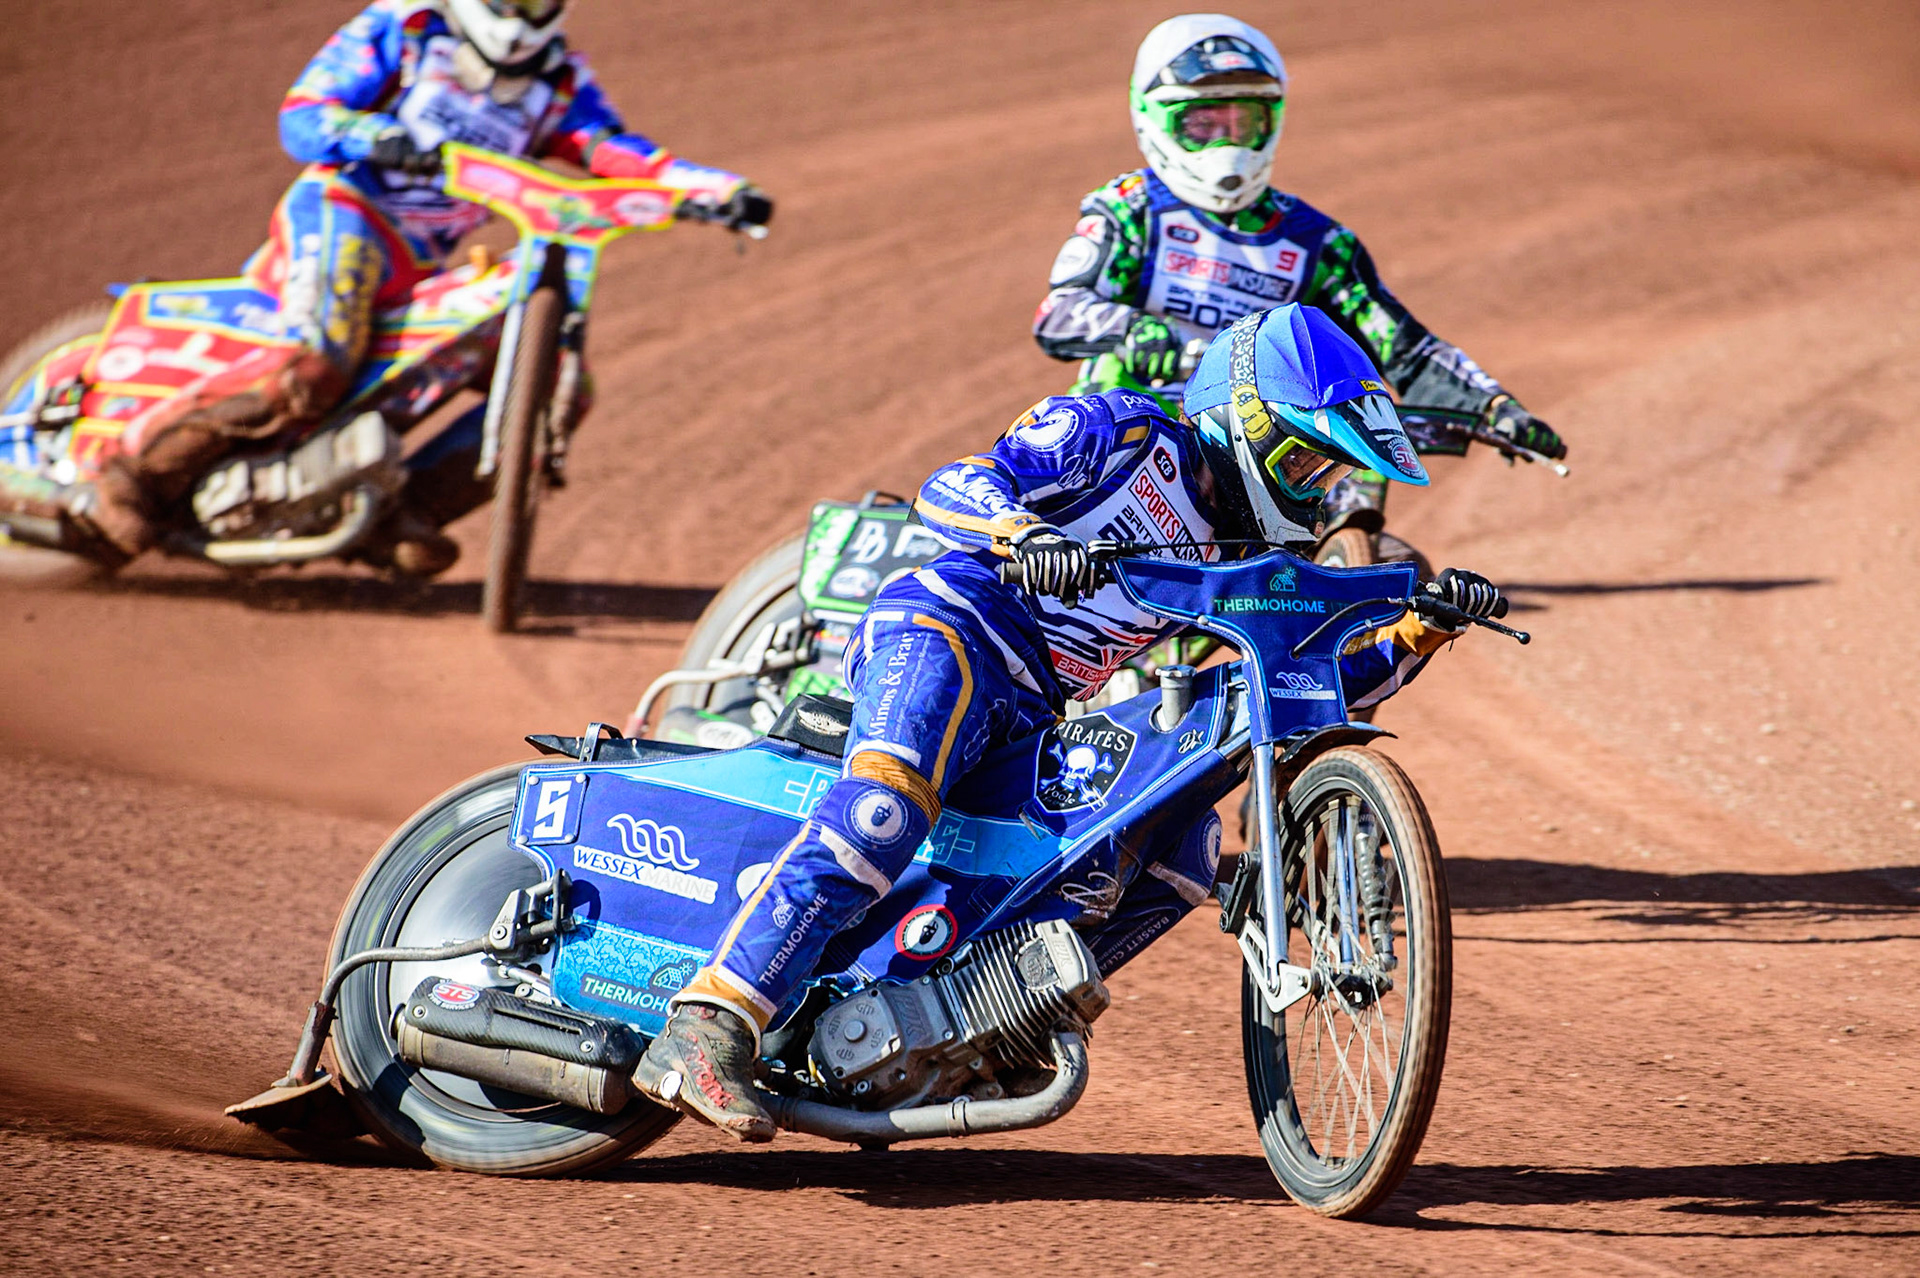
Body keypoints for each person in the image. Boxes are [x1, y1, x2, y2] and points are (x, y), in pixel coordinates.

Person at [634, 304, 1510, 1142]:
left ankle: (979, 1020)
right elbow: (954, 484)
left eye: (1324, 475)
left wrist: (1417, 630)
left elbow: (1299, 680)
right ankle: (710, 1025)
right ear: (1249, 423)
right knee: (885, 808)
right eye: (1305, 464)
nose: (1312, 492)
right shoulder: (1124, 431)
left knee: (1182, 844)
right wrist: (1020, 533)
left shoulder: (1250, 551)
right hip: (950, 627)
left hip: (1037, 704)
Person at [13, 0, 770, 568]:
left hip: (424, 263)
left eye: (539, 0)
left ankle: (395, 516)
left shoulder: (559, 80)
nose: (522, 14)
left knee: (561, 389)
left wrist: (714, 190)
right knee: (317, 361)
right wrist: (374, 133)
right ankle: (130, 480)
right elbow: (304, 115)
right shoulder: (406, 27)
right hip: (348, 214)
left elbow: (617, 151)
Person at [1032, 12, 1564, 532]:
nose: (1227, 141)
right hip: (1138, 419)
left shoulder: (1315, 241)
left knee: (1353, 455)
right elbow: (1059, 312)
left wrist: (1492, 406)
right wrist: (1135, 332)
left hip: (1265, 434)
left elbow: (1402, 346)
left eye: (1244, 122)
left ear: (1272, 121)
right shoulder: (1132, 209)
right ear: (1154, 117)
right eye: (1204, 123)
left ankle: (1342, 560)